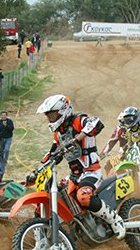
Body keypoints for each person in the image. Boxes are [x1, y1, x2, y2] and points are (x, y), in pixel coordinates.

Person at [34, 94, 125, 239]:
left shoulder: (79, 120)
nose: (50, 118)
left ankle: (115, 220)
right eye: (48, 116)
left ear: (63, 110)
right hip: (74, 175)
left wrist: (78, 138)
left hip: (91, 171)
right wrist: (37, 170)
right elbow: (52, 153)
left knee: (84, 197)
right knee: (54, 196)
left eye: (52, 114)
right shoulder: (59, 134)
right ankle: (45, 238)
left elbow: (96, 123)